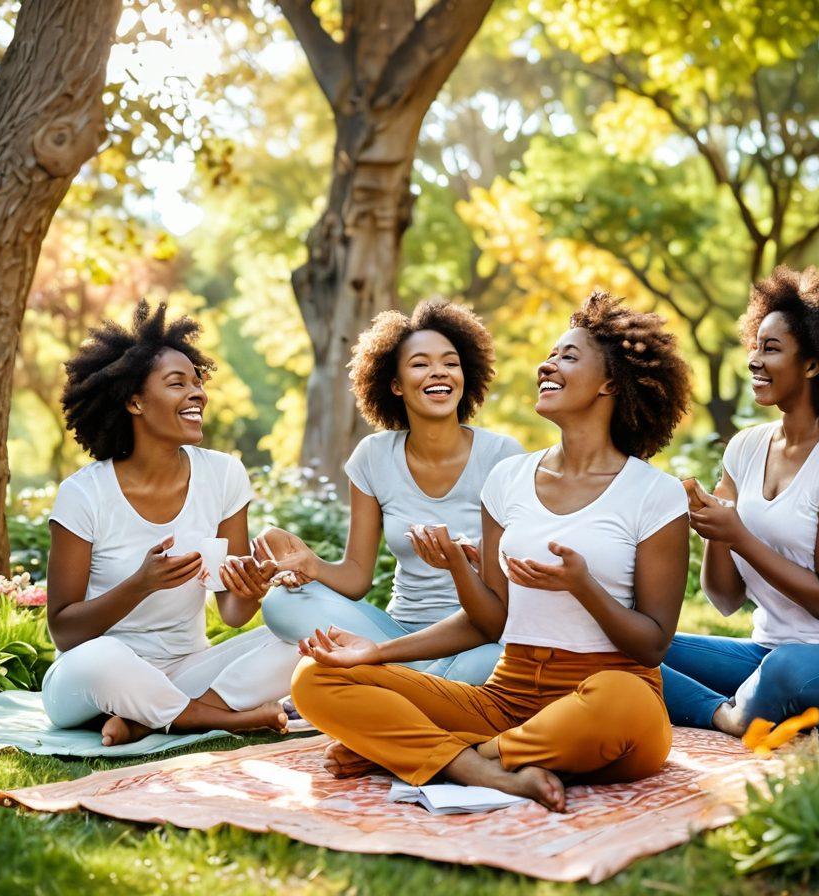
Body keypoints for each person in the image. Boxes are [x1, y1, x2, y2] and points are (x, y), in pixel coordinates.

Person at [290, 291, 692, 812]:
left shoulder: (654, 494)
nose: (547, 364)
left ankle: (434, 752)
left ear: (612, 383)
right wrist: (378, 651)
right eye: (551, 354)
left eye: (568, 356)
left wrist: (583, 586)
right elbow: (490, 623)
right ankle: (480, 767)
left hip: (606, 692)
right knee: (317, 677)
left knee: (625, 707)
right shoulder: (509, 479)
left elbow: (653, 646)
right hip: (507, 697)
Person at [42, 302, 301, 747]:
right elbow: (64, 631)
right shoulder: (85, 493)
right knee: (102, 659)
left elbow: (232, 614)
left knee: (300, 639)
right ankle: (223, 718)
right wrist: (140, 584)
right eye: (177, 383)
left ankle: (150, 718)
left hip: (188, 666)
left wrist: (252, 589)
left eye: (198, 383)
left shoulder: (223, 475)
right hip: (96, 672)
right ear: (135, 401)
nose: (197, 394)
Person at [666, 266, 819, 735]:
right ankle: (726, 713)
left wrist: (739, 535)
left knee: (784, 672)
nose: (754, 360)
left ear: (814, 363)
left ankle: (729, 704)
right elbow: (723, 599)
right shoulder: (745, 447)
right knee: (638, 648)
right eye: (754, 346)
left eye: (771, 348)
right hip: (768, 652)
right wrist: (716, 530)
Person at [259, 300, 523, 685]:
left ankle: (393, 684)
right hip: (397, 633)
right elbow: (356, 577)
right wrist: (311, 566)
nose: (439, 372)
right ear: (395, 385)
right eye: (420, 364)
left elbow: (515, 588)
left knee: (492, 661)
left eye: (451, 363)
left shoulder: (503, 456)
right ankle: (423, 686)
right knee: (282, 604)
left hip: (478, 635)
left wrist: (466, 563)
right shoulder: (373, 456)